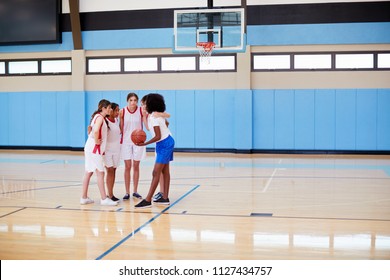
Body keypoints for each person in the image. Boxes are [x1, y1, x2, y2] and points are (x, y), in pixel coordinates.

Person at [134, 93, 175, 208]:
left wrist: (144, 144)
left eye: (144, 105)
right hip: (166, 142)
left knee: (155, 172)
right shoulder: (153, 116)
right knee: (164, 171)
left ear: (150, 104)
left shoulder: (153, 117)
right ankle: (165, 198)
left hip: (164, 143)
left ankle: (147, 200)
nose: (142, 107)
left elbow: (157, 136)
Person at [81, 99, 118, 206]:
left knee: (88, 172)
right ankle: (103, 199)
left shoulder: (98, 117)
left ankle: (84, 197)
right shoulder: (100, 118)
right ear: (103, 108)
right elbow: (96, 130)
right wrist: (97, 140)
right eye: (109, 107)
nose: (110, 109)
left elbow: (90, 129)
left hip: (90, 148)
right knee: (100, 172)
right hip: (94, 148)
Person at [120, 93, 147, 200]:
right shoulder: (123, 111)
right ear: (127, 101)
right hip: (126, 141)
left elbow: (146, 126)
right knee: (127, 167)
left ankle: (135, 191)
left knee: (136, 166)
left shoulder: (141, 110)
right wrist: (121, 119)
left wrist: (145, 116)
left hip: (138, 141)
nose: (133, 102)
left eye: (135, 100)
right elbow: (121, 129)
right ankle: (127, 192)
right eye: (131, 100)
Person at [104, 102, 121, 201]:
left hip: (116, 149)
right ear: (110, 110)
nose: (118, 112)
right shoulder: (105, 121)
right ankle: (109, 194)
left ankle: (111, 193)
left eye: (118, 110)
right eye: (116, 110)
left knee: (113, 171)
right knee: (109, 170)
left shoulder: (117, 120)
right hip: (107, 150)